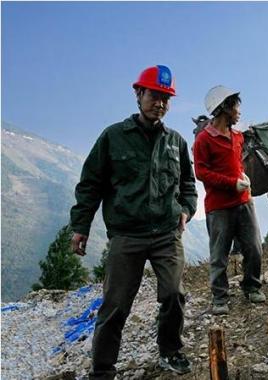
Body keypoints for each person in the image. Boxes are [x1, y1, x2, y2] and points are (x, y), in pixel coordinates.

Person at [69, 65, 197, 378]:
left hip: (167, 234)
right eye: (154, 95)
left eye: (166, 98)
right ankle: (102, 369)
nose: (161, 103)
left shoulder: (176, 143)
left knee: (173, 294)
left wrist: (186, 209)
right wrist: (81, 226)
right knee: (115, 306)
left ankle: (170, 351)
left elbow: (189, 185)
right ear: (138, 94)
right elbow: (91, 184)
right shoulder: (113, 137)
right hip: (127, 237)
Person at [193, 85, 266, 315]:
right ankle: (219, 297)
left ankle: (252, 286)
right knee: (219, 255)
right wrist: (230, 183)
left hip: (244, 201)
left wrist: (241, 176)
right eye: (235, 105)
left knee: (253, 247)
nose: (239, 111)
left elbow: (237, 164)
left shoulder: (237, 136)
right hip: (219, 207)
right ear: (224, 107)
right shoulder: (204, 140)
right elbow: (201, 173)